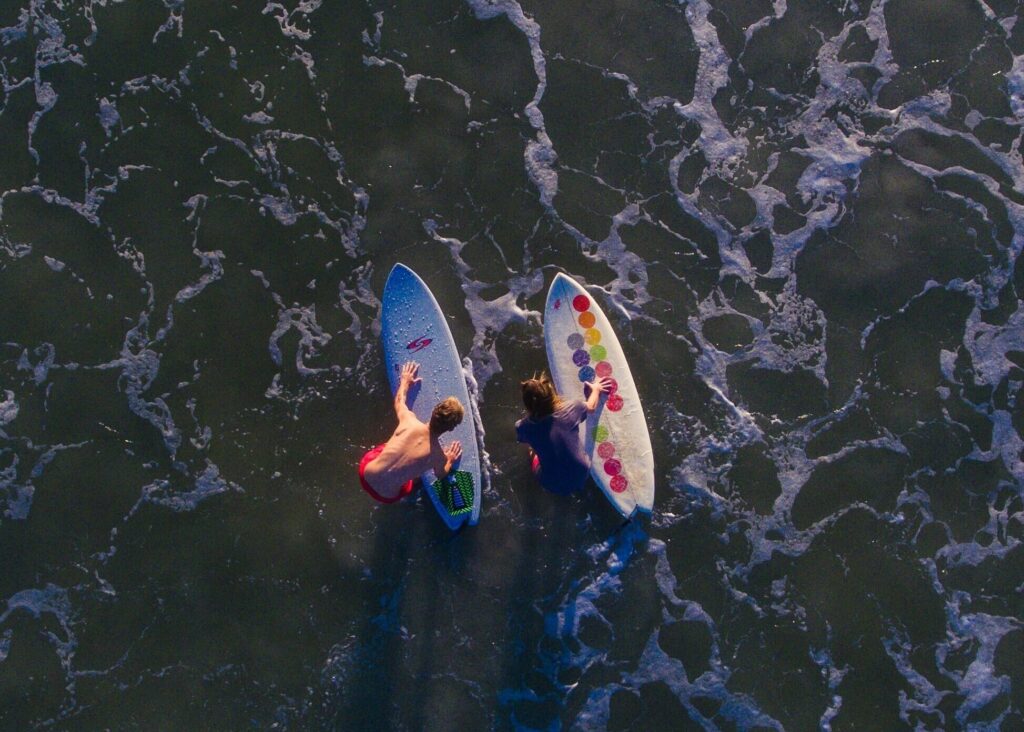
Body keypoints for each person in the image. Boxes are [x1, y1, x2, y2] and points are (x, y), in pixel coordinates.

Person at [359, 361, 464, 503]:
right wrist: (449, 459)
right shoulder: (438, 456)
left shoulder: (409, 421)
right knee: (413, 482)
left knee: (394, 443)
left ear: (433, 412)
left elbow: (399, 401)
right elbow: (440, 475)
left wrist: (405, 382)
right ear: (451, 429)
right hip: (386, 495)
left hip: (366, 473)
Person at [515, 372, 611, 495]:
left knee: (531, 450)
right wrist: (596, 390)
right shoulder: (572, 408)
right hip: (582, 473)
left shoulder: (522, 427)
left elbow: (521, 438)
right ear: (551, 395)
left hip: (551, 484)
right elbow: (591, 407)